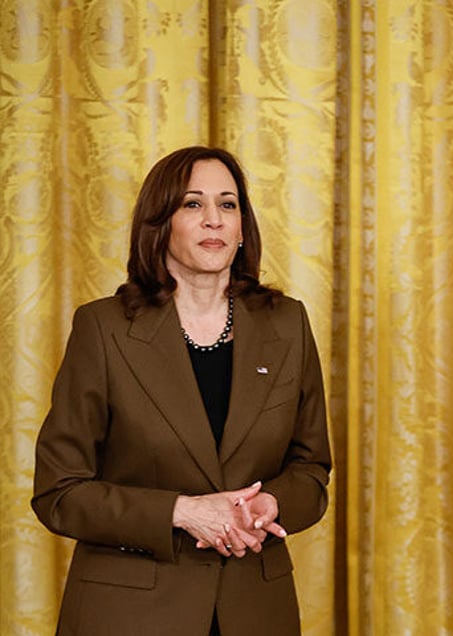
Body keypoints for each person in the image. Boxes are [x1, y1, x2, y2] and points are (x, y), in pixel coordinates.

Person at [32, 146, 331, 636]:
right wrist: (181, 512)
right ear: (160, 223)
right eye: (192, 204)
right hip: (130, 615)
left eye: (228, 205)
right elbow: (59, 492)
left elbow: (312, 469)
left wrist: (270, 504)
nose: (213, 220)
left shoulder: (288, 324)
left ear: (242, 228)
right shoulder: (103, 328)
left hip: (255, 610)